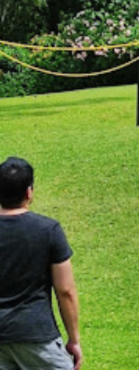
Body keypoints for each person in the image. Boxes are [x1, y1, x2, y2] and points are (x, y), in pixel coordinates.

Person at [0, 157, 82, 370]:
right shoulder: (48, 231)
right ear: (29, 192)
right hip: (36, 336)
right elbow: (66, 291)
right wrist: (74, 340)